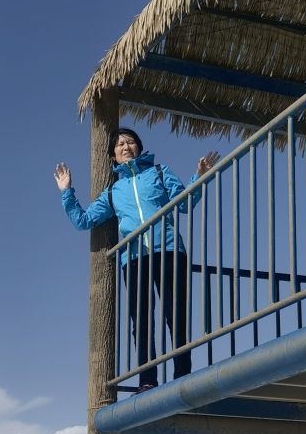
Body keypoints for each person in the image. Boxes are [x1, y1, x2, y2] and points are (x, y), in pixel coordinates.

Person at [54, 128, 218, 389]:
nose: (125, 146)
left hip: (169, 250)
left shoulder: (160, 172)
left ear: (139, 147)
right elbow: (83, 221)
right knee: (141, 321)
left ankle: (182, 374)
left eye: (130, 142)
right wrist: (67, 192)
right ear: (113, 156)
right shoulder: (112, 191)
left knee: (176, 315)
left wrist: (199, 176)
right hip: (133, 259)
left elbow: (185, 203)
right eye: (119, 144)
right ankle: (147, 380)